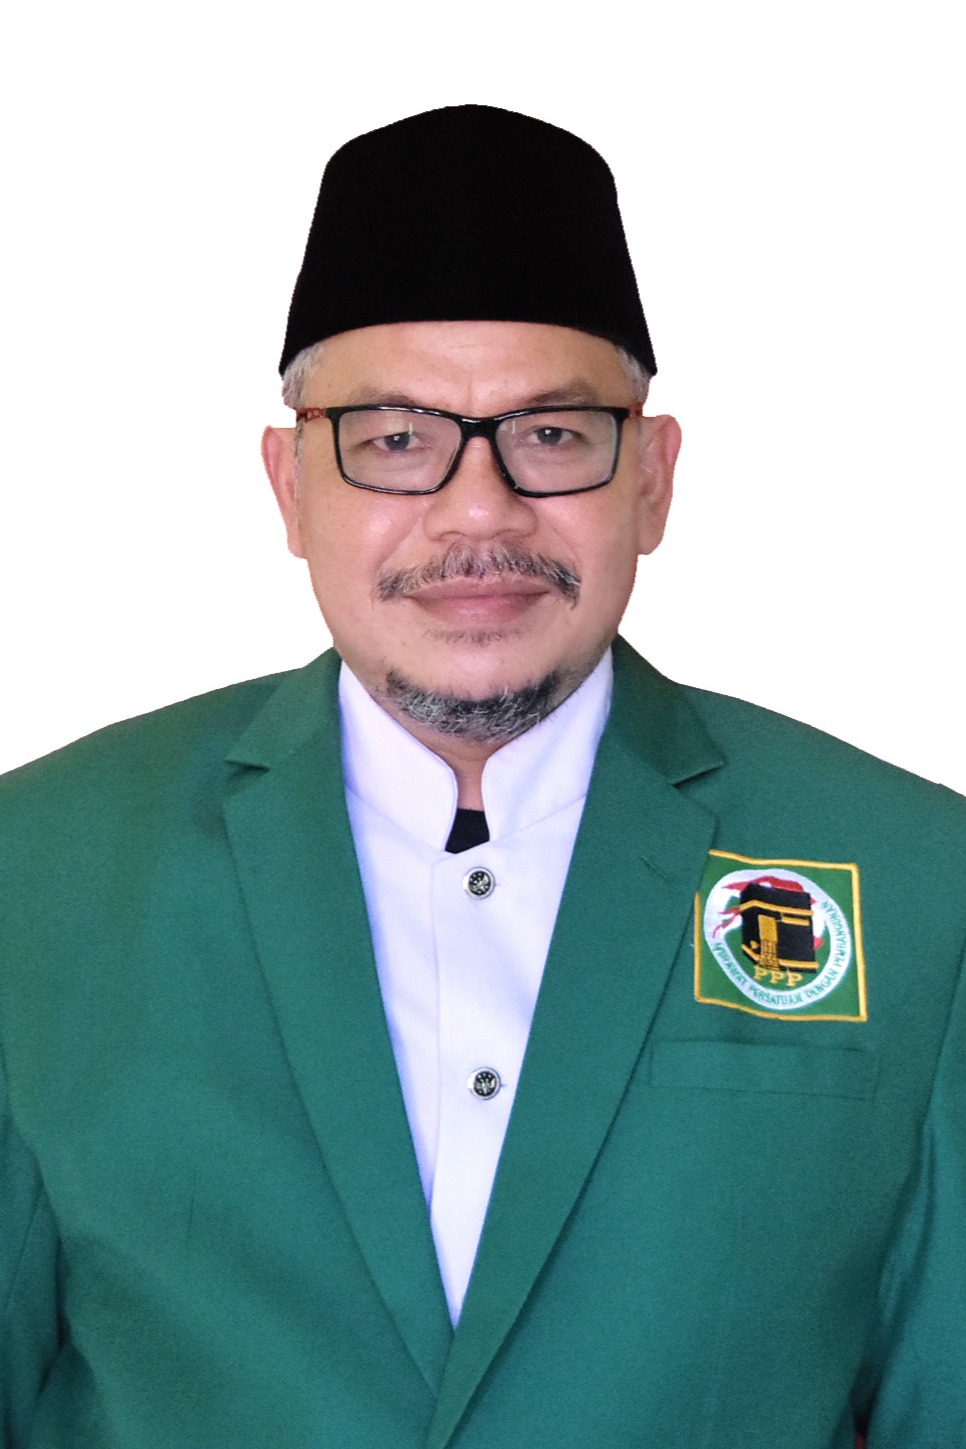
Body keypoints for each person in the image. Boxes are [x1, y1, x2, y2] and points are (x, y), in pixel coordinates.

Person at [1, 104, 963, 1449]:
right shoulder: (38, 868)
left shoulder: (914, 879)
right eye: (395, 438)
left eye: (553, 435)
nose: (477, 511)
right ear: (289, 484)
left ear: (652, 478)